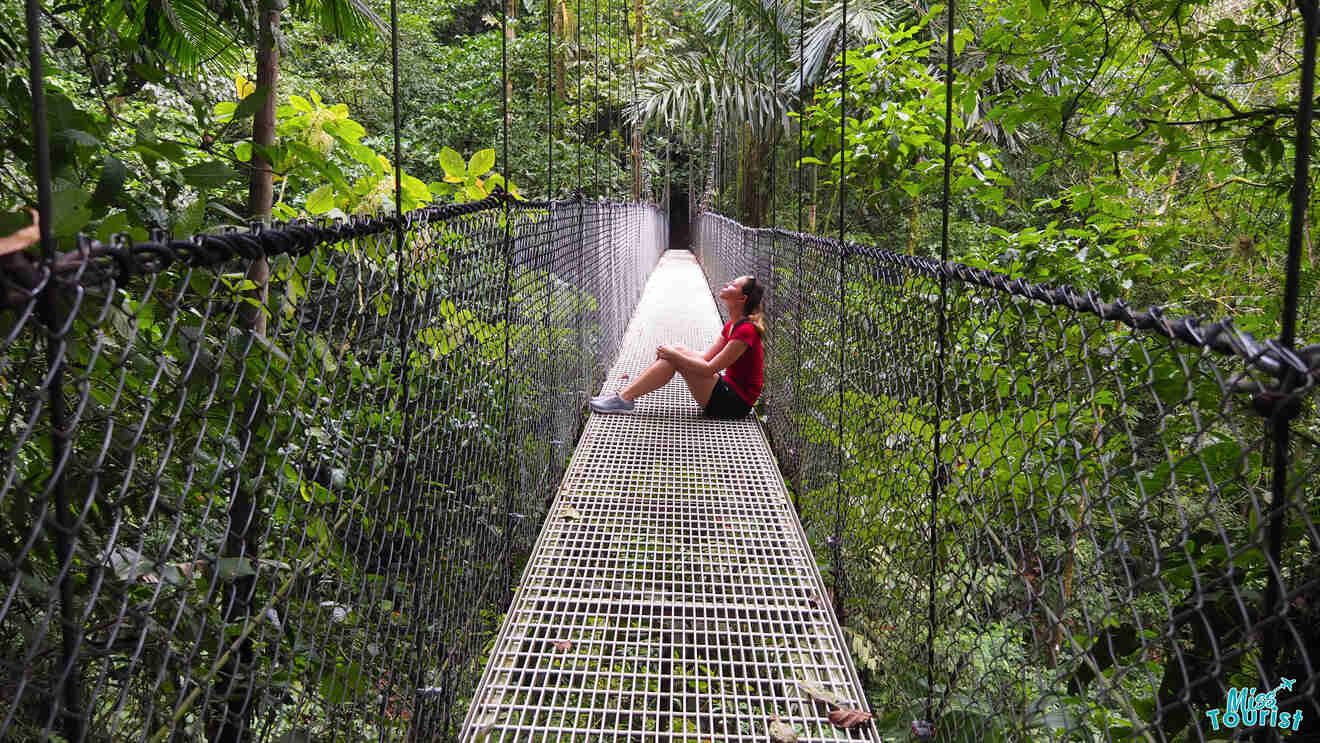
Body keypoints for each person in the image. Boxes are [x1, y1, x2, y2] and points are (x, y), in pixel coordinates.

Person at [589, 275, 765, 419]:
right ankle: (625, 396)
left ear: (742, 298)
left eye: (733, 284)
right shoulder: (732, 326)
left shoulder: (746, 331)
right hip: (727, 391)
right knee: (677, 349)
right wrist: (675, 352)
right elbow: (705, 358)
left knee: (675, 357)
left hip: (734, 405)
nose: (727, 284)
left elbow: (708, 369)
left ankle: (624, 399)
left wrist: (674, 356)